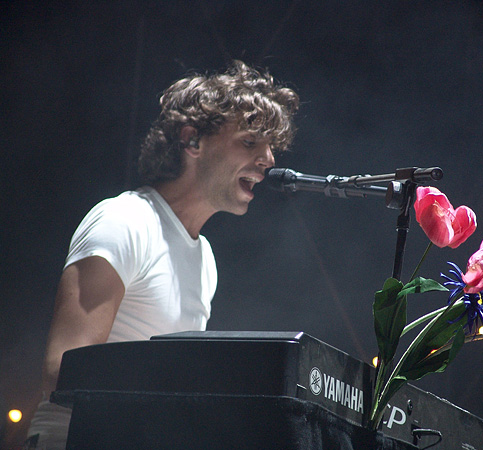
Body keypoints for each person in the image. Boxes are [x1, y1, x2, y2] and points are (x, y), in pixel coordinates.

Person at [25, 60, 299, 449]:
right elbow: (62, 371)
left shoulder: (204, 257)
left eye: (272, 147)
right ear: (192, 141)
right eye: (250, 141)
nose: (269, 160)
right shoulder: (125, 220)